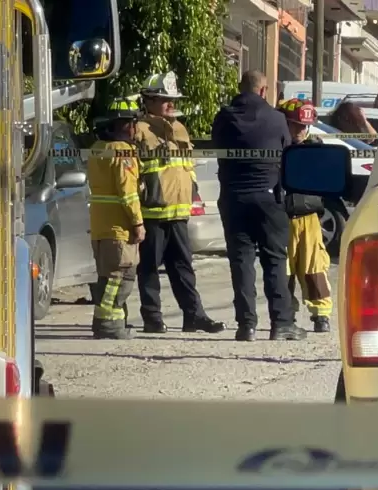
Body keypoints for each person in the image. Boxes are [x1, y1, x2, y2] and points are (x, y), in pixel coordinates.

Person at [211, 70, 307, 342]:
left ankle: (246, 326)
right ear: (263, 90)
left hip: (233, 197)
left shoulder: (224, 117)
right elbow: (287, 153)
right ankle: (282, 323)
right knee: (274, 260)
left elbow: (217, 148)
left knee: (241, 262)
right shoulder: (277, 119)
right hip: (268, 197)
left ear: (241, 88)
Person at [133, 71, 225, 335]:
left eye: (173, 99)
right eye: (164, 99)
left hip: (179, 212)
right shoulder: (138, 130)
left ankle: (194, 316)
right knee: (149, 268)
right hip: (152, 211)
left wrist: (192, 189)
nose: (170, 104)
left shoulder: (180, 128)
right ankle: (152, 318)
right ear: (148, 100)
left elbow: (187, 165)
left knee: (183, 268)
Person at [86, 98, 146, 340]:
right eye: (134, 123)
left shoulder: (97, 148)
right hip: (119, 228)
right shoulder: (124, 153)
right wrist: (138, 223)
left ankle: (108, 322)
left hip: (100, 227)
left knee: (107, 277)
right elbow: (127, 192)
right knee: (121, 276)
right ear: (126, 125)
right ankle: (110, 325)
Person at [278, 99, 333, 333]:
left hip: (309, 216)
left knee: (314, 267)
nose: (300, 130)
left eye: (304, 126)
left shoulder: (314, 149)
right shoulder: (276, 148)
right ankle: (285, 315)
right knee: (284, 269)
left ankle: (321, 315)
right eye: (295, 125)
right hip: (282, 217)